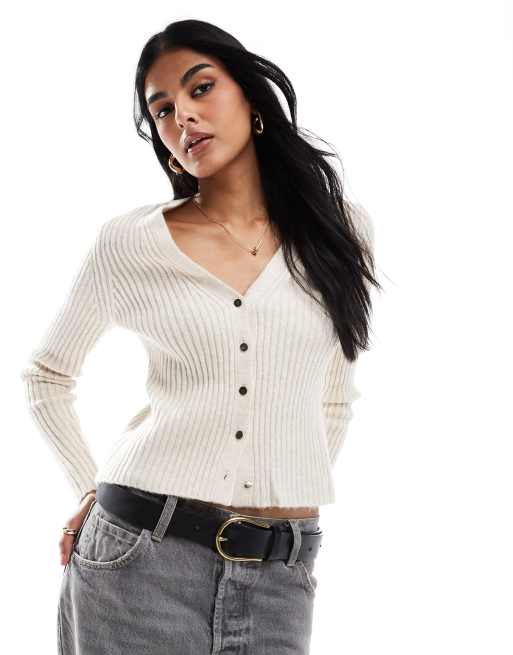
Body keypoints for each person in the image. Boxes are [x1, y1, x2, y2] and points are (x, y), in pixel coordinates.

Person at [20, 18, 381, 655]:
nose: (182, 115)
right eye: (162, 110)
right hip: (138, 560)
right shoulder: (129, 243)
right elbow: (47, 375)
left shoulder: (340, 232)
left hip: (281, 575)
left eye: (201, 88)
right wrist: (87, 485)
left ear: (251, 98)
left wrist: (278, 487)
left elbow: (333, 396)